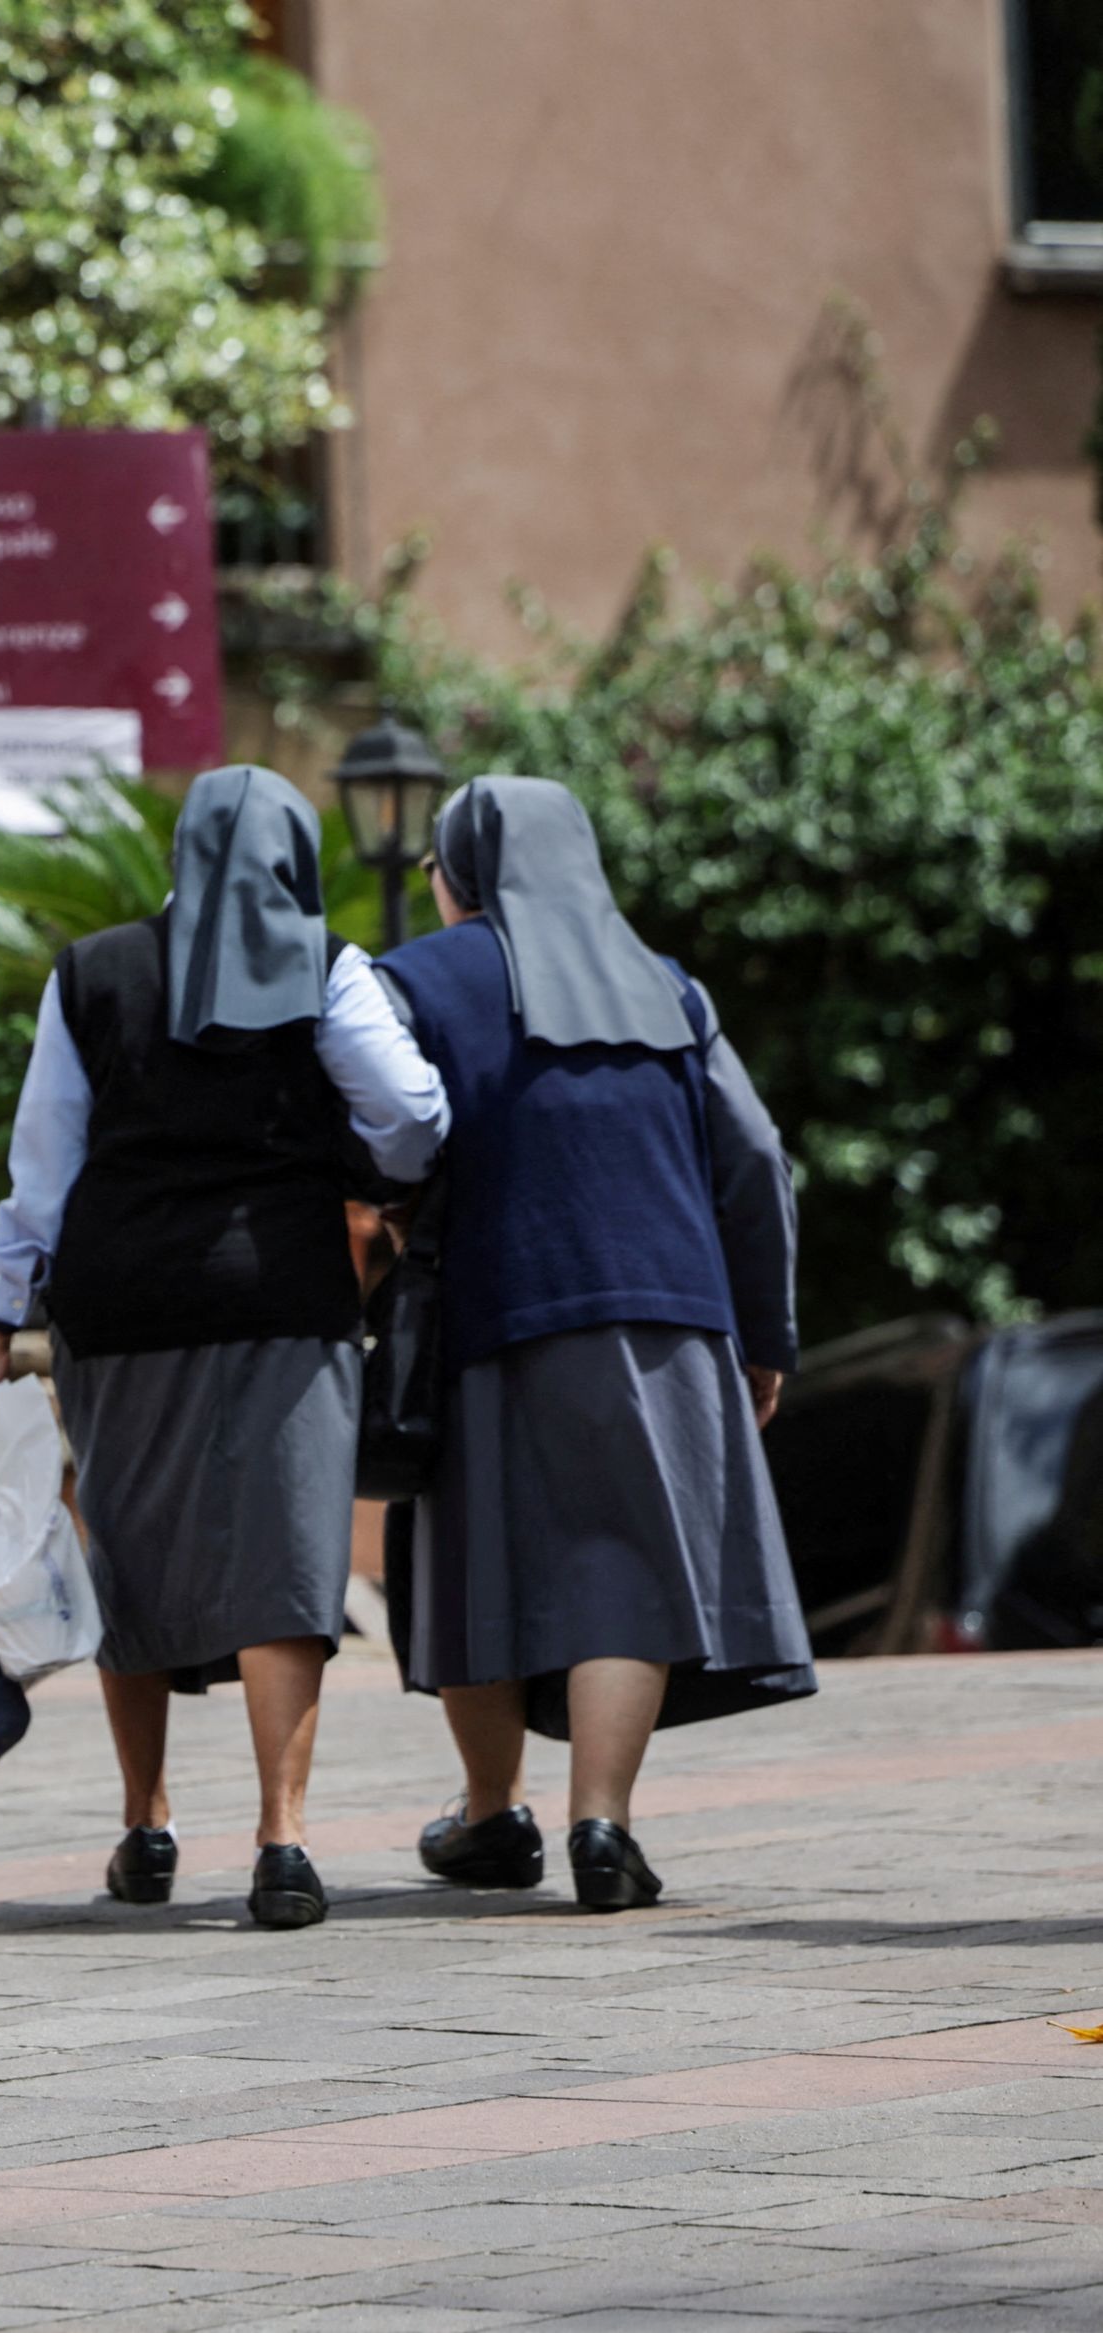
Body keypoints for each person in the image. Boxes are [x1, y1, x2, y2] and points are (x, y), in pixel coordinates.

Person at [0, 766, 448, 1929]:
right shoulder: (325, 964)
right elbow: (410, 1111)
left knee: (129, 1548)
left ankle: (145, 1824)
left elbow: (43, 1164)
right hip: (280, 1294)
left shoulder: (91, 972)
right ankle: (281, 1840)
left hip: (119, 1302)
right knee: (285, 1560)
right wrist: (376, 1174)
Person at [378, 776, 811, 1912]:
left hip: (496, 1309)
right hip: (672, 1317)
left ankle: (489, 1813)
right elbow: (754, 1157)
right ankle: (602, 1825)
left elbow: (381, 1136)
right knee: (626, 1569)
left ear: (462, 872)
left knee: (474, 1559)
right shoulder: (668, 986)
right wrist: (763, 1333)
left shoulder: (414, 980)